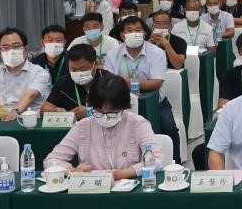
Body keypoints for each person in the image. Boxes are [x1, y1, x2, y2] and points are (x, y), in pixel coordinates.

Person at [44, 74, 163, 174]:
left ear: (123, 107)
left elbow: (157, 160)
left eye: (112, 112)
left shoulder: (138, 124)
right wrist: (72, 170)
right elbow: (51, 160)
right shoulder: (83, 127)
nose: (105, 117)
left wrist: (124, 173)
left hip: (128, 187)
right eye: (99, 112)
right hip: (93, 189)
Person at [106, 17, 179, 157]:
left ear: (145, 33)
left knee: (169, 128)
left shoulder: (156, 52)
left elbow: (156, 83)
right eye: (129, 31)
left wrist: (128, 83)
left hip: (157, 103)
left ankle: (175, 161)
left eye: (138, 30)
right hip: (122, 104)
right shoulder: (113, 54)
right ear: (122, 35)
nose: (134, 33)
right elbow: (110, 82)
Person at [0, 28, 50, 119]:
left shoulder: (39, 72)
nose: (11, 51)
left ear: (26, 49)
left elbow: (30, 95)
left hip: (26, 120)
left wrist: (15, 111)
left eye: (16, 46)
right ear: (0, 53)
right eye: (6, 48)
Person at [43, 44, 116, 120]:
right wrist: (55, 111)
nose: (78, 73)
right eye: (73, 69)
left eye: (83, 69)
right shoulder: (64, 82)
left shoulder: (111, 81)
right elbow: (45, 108)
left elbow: (120, 110)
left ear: (96, 64)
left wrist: (91, 112)